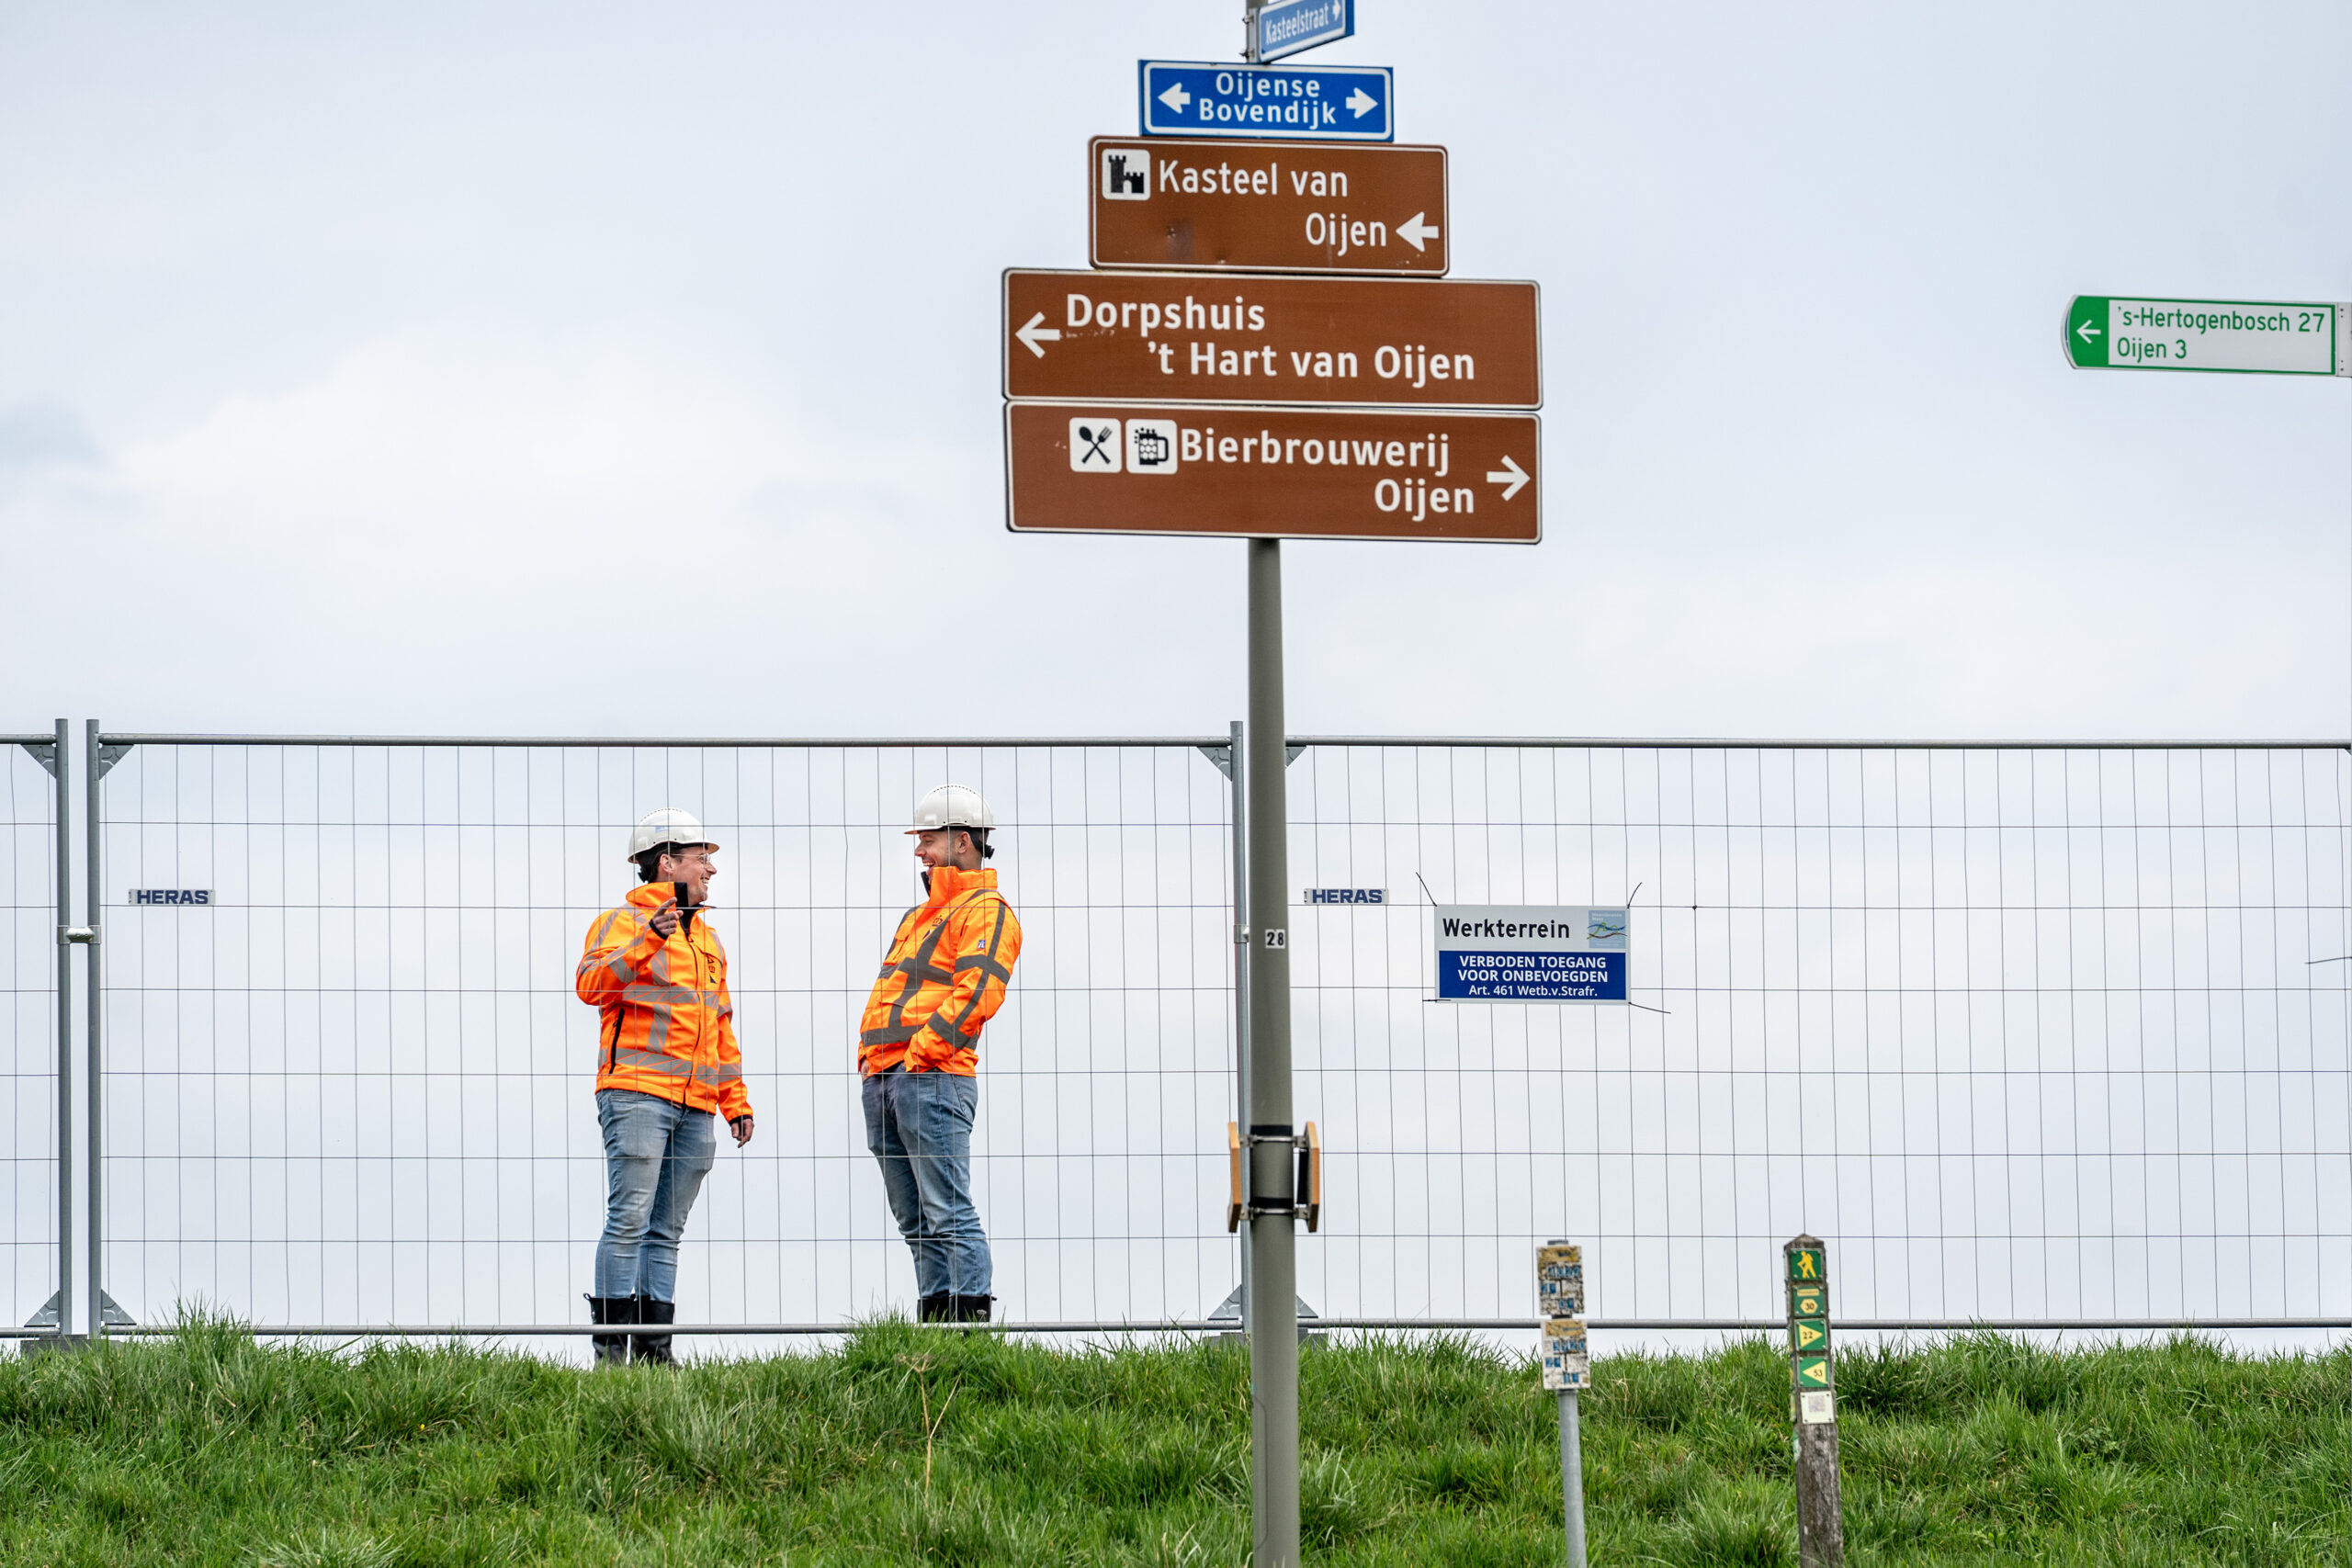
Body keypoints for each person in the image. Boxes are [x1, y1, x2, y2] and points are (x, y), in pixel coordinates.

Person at [576, 807, 753, 1365]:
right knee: (628, 1220)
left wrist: (735, 1101)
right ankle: (611, 1358)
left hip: (697, 1105)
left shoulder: (709, 941)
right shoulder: (619, 923)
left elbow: (720, 1026)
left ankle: (655, 1355)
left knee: (666, 1231)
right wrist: (648, 941)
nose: (711, 870)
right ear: (667, 862)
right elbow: (590, 985)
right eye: (702, 859)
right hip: (635, 1093)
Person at [858, 785, 1023, 1323]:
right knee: (916, 1220)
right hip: (887, 1078)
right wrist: (874, 1061)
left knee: (947, 1212)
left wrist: (919, 1055)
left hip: (930, 1076)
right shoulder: (919, 916)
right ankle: (937, 1334)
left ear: (963, 841)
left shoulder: (987, 911)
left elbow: (979, 994)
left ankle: (967, 1335)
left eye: (928, 840)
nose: (919, 851)